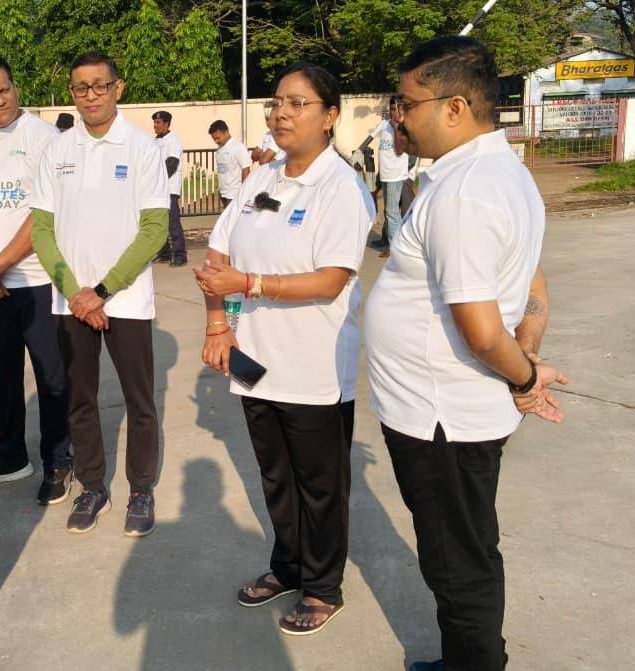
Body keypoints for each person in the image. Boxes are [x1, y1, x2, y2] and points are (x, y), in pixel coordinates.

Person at [363, 36, 568, 671]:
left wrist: (526, 376)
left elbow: (481, 332)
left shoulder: (464, 193)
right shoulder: (498, 173)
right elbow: (534, 288)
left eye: (406, 102)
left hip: (440, 418)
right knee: (469, 548)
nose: (398, 115)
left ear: (454, 108)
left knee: (457, 563)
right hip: (448, 410)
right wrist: (523, 372)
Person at [195, 62, 375, 636]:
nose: (281, 114)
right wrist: (218, 327)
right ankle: (289, 565)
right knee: (275, 474)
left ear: (329, 116)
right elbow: (217, 258)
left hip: (314, 364)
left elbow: (330, 279)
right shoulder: (259, 180)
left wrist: (250, 287)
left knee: (319, 483)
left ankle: (324, 587)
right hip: (253, 359)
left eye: (298, 104)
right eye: (277, 103)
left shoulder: (340, 189)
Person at [32, 52, 169, 536]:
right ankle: (92, 486)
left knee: (140, 402)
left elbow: (154, 230)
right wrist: (74, 291)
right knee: (81, 400)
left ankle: (141, 489)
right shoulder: (58, 150)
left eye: (99, 86)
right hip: (71, 302)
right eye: (80, 88)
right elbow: (42, 231)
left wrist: (104, 290)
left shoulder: (141, 149)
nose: (90, 95)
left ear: (118, 88)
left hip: (125, 301)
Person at [0, 50, 74, 505]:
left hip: (38, 279)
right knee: (0, 375)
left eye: (6, 89)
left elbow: (43, 218)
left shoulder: (45, 139)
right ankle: (10, 455)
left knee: (51, 376)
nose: (1, 100)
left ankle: (58, 458)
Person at [360, 97, 409, 255]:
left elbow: (400, 150)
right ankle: (388, 239)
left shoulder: (403, 128)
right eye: (392, 109)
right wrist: (359, 150)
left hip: (396, 175)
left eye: (398, 109)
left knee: (392, 211)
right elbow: (370, 138)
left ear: (403, 110)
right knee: (389, 210)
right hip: (385, 174)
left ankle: (396, 247)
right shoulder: (384, 124)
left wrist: (396, 128)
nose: (395, 112)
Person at [151, 110, 187, 267]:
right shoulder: (155, 141)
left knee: (173, 223)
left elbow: (172, 163)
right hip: (156, 188)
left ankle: (180, 255)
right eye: (154, 122)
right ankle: (164, 253)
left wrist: (159, 180)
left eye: (158, 123)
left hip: (169, 188)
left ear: (166, 124)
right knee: (159, 223)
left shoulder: (174, 140)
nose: (155, 126)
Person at [209, 120, 250, 207]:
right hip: (224, 193)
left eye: (218, 138)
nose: (216, 141)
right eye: (214, 139)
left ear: (226, 132)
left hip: (235, 194)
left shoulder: (238, 147)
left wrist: (243, 192)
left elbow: (245, 169)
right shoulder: (219, 150)